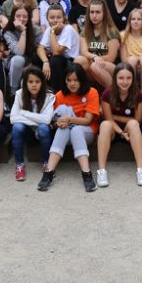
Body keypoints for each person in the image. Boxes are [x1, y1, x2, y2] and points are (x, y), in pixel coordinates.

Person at [37, 63, 100, 192]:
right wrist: (60, 123)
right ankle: (48, 173)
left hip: (87, 131)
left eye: (76, 80)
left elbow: (88, 120)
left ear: (82, 80)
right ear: (64, 80)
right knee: (62, 129)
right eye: (69, 80)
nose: (72, 83)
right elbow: (54, 121)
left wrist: (70, 119)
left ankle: (86, 173)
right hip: (66, 133)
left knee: (76, 129)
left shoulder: (92, 92)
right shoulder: (60, 95)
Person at [96, 63, 142, 187]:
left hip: (130, 131)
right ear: (115, 78)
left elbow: (137, 119)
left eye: (128, 78)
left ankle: (141, 170)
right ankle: (101, 171)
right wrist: (121, 133)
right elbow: (109, 119)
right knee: (105, 125)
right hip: (112, 131)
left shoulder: (137, 94)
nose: (125, 82)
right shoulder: (107, 94)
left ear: (133, 79)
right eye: (121, 78)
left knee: (134, 123)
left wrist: (117, 118)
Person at [9, 66, 55, 182]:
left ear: (42, 83)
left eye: (37, 82)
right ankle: (19, 165)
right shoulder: (19, 94)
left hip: (43, 132)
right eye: (30, 82)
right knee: (17, 127)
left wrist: (24, 113)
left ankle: (46, 162)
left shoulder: (49, 96)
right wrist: (38, 121)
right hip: (27, 132)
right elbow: (13, 118)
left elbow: (47, 120)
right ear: (25, 83)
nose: (34, 85)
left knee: (44, 128)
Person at [75, 0, 120, 90]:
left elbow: (111, 57)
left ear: (104, 14)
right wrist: (94, 57)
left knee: (95, 66)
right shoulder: (85, 31)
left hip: (109, 67)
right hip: (93, 64)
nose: (94, 15)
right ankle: (83, 92)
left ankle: (114, 94)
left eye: (98, 12)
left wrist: (95, 60)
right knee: (79, 60)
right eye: (92, 12)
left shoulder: (111, 31)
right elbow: (84, 52)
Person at [37, 5, 80, 92]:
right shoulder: (49, 28)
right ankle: (41, 87)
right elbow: (40, 48)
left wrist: (52, 32)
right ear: (47, 19)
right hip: (60, 60)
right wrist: (45, 62)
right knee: (36, 58)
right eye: (52, 17)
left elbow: (57, 52)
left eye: (58, 17)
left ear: (64, 18)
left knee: (55, 59)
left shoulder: (68, 29)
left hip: (72, 62)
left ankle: (57, 92)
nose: (55, 20)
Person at [2, 4, 40, 95]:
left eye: (25, 16)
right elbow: (19, 52)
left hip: (31, 62)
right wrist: (23, 32)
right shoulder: (8, 32)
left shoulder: (34, 28)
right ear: (13, 17)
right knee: (19, 59)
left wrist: (30, 64)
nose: (21, 19)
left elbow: (43, 47)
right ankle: (13, 92)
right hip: (13, 62)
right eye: (18, 16)